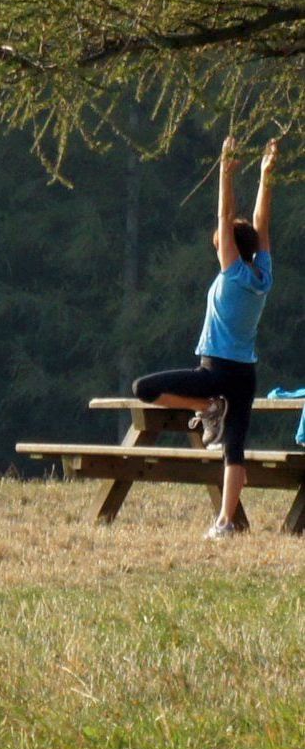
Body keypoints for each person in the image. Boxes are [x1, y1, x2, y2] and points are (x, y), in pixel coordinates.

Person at [131, 135, 277, 540]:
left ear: (230, 246)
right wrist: (266, 176)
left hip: (215, 372)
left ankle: (208, 405)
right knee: (235, 448)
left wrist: (225, 169)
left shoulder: (232, 271)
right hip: (244, 375)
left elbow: (224, 214)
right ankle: (225, 523)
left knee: (144, 389)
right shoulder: (262, 276)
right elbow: (263, 226)